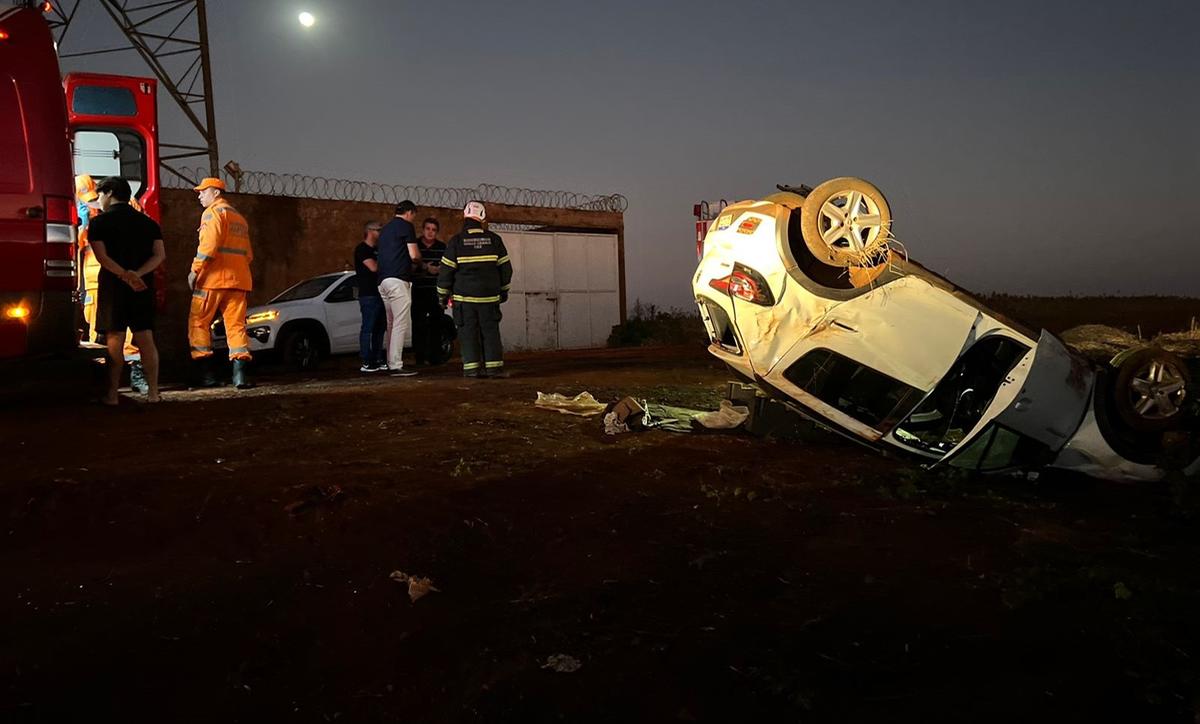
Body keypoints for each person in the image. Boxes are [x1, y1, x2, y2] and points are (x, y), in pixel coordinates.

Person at [86, 176, 166, 405]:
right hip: (142, 288)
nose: (99, 200)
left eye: (100, 195)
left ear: (109, 193)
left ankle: (112, 394)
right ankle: (153, 393)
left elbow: (102, 257)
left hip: (113, 289)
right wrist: (137, 275)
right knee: (146, 339)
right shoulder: (149, 223)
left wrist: (124, 275)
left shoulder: (100, 223)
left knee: (114, 340)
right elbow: (159, 255)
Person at [187, 177, 256, 389]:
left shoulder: (212, 213)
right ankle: (240, 376)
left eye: (203, 192)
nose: (199, 196)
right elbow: (248, 255)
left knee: (198, 322)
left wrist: (194, 270)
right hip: (238, 280)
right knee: (236, 326)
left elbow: (208, 245)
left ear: (216, 193)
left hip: (213, 280)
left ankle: (207, 375)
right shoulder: (239, 219)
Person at [437, 201, 513, 378]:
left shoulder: (456, 242)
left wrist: (442, 295)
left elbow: (446, 272)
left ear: (464, 216)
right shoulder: (495, 240)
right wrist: (503, 291)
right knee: (490, 333)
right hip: (489, 299)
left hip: (464, 301)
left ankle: (471, 370)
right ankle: (494, 368)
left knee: (468, 334)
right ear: (483, 218)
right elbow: (506, 270)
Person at [376, 200, 422, 377]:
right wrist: (421, 263)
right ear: (410, 213)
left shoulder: (385, 230)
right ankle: (395, 364)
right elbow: (414, 254)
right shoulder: (406, 226)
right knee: (400, 323)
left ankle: (390, 362)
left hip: (383, 281)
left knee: (391, 323)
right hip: (398, 280)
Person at [411, 216, 447, 366]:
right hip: (418, 291)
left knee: (436, 325)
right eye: (428, 229)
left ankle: (435, 358)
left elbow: (447, 267)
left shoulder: (442, 247)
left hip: (435, 291)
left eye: (433, 230)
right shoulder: (415, 246)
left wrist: (438, 270)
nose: (430, 232)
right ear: (423, 230)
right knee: (418, 325)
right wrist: (425, 267)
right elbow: (410, 265)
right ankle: (419, 358)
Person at [354, 220, 387, 372]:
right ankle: (367, 360)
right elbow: (373, 267)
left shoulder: (379, 249)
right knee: (368, 328)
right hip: (369, 294)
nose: (380, 233)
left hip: (381, 293)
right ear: (370, 231)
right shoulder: (362, 249)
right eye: (378, 230)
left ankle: (378, 358)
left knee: (380, 329)